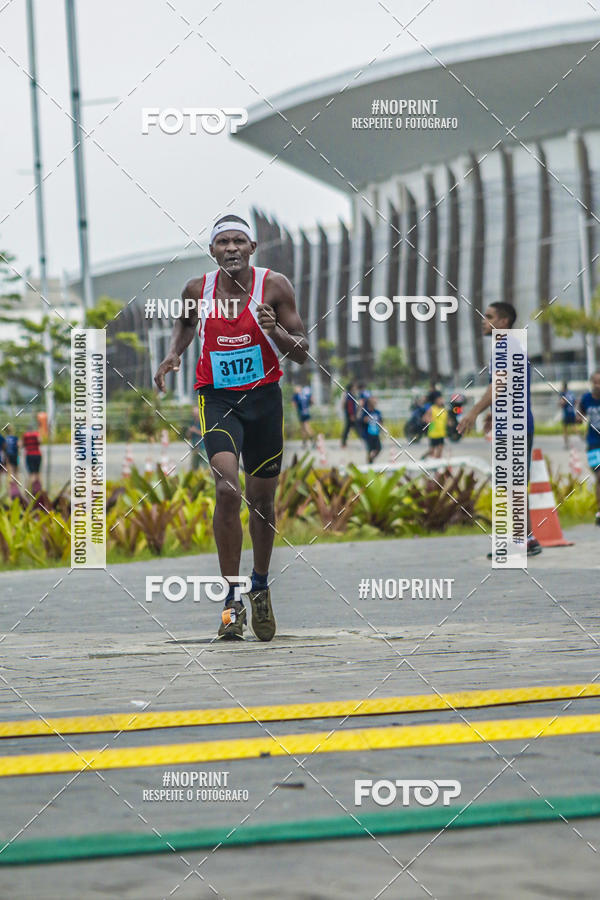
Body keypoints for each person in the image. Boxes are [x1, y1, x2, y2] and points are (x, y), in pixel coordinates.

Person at [154, 214, 308, 641]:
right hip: (218, 399)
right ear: (212, 251)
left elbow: (301, 351)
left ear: (252, 247)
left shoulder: (274, 286)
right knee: (226, 489)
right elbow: (186, 323)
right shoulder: (196, 290)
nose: (232, 248)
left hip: (264, 401)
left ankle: (260, 584)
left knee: (262, 502)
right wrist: (173, 353)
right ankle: (231, 600)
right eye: (223, 242)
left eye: (239, 241)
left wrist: (276, 333)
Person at [457, 301, 542, 557]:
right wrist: (495, 414)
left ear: (503, 322)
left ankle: (521, 540)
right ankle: (526, 539)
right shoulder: (511, 345)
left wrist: (474, 411)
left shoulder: (505, 345)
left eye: (490, 316)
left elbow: (500, 384)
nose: (484, 321)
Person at [578, 371, 600, 527]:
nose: (598, 385)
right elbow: (580, 415)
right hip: (593, 443)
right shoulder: (586, 399)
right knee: (599, 476)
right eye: (595, 382)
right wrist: (578, 418)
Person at [424, 391, 448, 459]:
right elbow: (425, 417)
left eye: (441, 399)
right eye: (439, 399)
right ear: (435, 400)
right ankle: (424, 458)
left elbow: (446, 420)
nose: (441, 400)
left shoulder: (444, 410)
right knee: (432, 451)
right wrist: (429, 419)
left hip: (441, 434)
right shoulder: (432, 409)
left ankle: (436, 463)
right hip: (433, 434)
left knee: (440, 451)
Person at [363, 396, 383, 463]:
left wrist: (381, 428)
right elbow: (361, 420)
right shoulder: (366, 412)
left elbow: (381, 421)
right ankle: (369, 462)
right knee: (370, 449)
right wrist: (365, 419)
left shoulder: (377, 412)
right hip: (369, 434)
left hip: (376, 433)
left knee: (378, 448)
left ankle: (371, 458)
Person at [341, 380, 360, 447]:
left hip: (350, 415)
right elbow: (350, 406)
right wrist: (352, 415)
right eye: (354, 387)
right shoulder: (350, 395)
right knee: (357, 428)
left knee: (348, 429)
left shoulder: (349, 394)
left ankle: (343, 443)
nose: (356, 388)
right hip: (350, 415)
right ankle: (365, 440)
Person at [559, 381, 577, 449]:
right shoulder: (571, 393)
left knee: (565, 429)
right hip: (572, 412)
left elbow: (562, 403)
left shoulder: (563, 394)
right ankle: (582, 437)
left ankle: (566, 444)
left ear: (563, 387)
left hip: (566, 413)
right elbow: (575, 401)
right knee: (574, 427)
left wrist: (560, 404)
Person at [187, 404, 204, 471]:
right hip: (194, 447)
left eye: (196, 413)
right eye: (193, 413)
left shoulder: (203, 422)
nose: (194, 415)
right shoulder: (192, 422)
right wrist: (189, 431)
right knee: (194, 468)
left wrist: (195, 430)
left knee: (206, 467)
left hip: (202, 448)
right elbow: (188, 436)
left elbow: (205, 434)